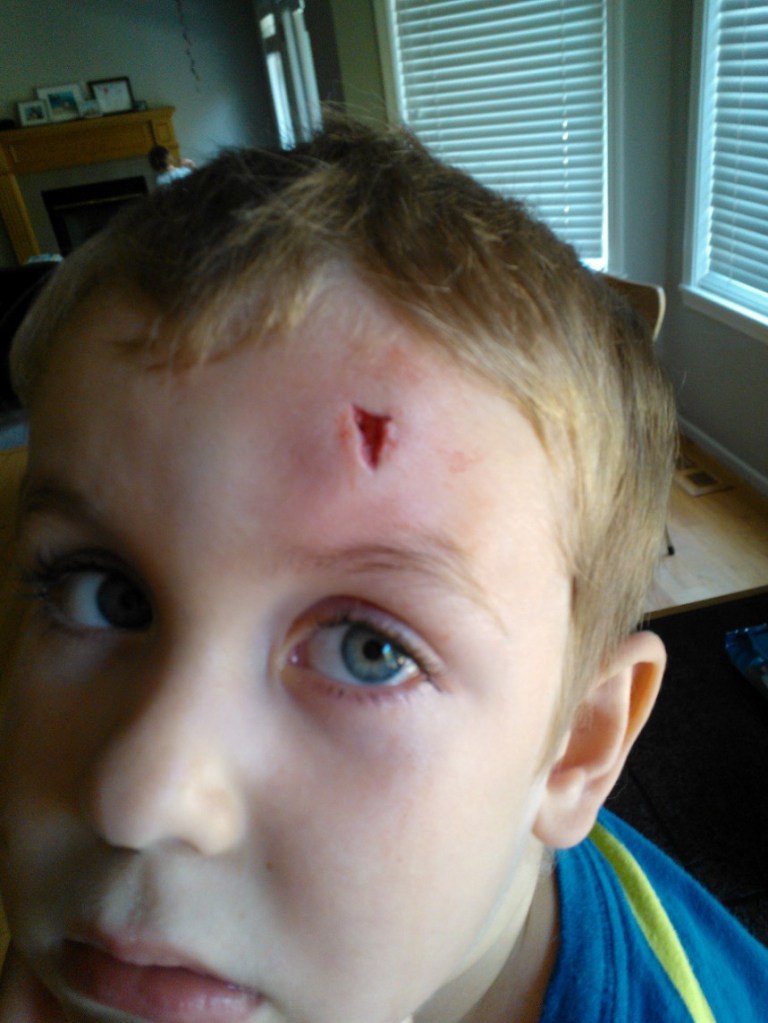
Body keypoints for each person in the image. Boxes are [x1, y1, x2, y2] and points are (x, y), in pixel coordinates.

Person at [0, 115, 765, 1023]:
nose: (135, 796)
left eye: (369, 648)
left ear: (576, 746)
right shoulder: (162, 946)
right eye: (103, 593)